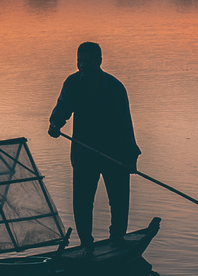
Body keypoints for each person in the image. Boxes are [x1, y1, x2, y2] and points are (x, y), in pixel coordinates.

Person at [48, 41, 140, 247]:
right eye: (79, 61)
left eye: (87, 61)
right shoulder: (72, 83)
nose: (82, 66)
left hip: (114, 154)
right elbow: (63, 106)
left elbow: (126, 124)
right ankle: (86, 244)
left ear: (99, 61)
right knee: (82, 203)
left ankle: (117, 238)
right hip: (84, 154)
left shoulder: (115, 88)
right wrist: (55, 123)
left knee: (119, 201)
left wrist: (131, 157)